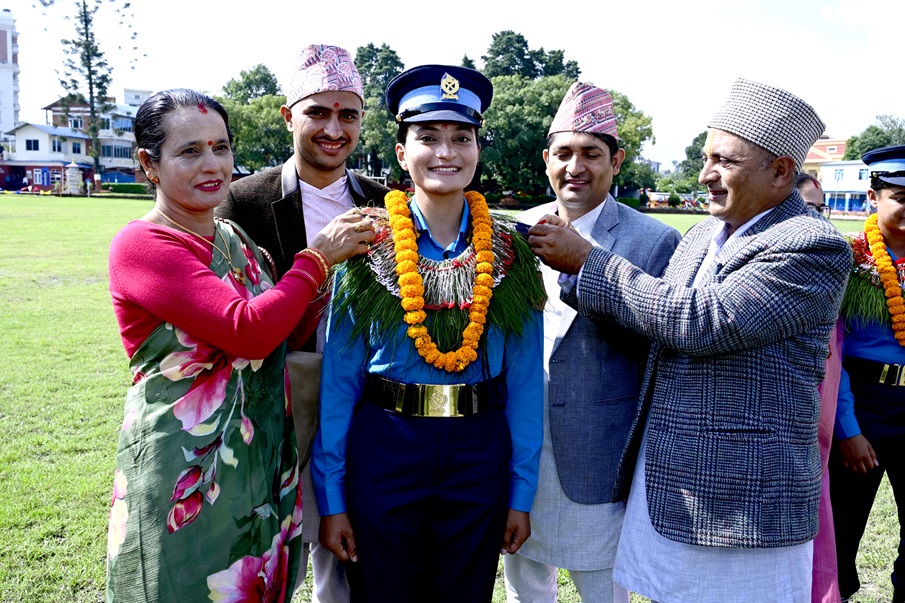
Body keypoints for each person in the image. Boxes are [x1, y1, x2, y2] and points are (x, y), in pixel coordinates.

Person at [527, 77, 853, 602]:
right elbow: (653, 317)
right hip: (669, 487)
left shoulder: (810, 245)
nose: (705, 175)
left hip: (744, 497)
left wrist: (589, 262)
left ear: (781, 171)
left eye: (725, 162)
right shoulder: (703, 233)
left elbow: (705, 322)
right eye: (706, 159)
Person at [104, 88, 374, 602]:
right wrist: (317, 259)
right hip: (184, 477)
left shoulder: (234, 239)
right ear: (148, 164)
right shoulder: (143, 244)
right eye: (189, 151)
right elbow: (248, 330)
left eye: (221, 148)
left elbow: (282, 334)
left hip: (258, 468)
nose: (213, 165)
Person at [311, 65, 546, 603]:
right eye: (428, 137)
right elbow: (339, 383)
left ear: (477, 150)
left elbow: (527, 384)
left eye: (461, 138)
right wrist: (333, 500)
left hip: (478, 451)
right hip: (386, 447)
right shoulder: (366, 249)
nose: (446, 152)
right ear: (400, 153)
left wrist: (521, 492)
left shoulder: (512, 255)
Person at [216, 44, 388, 602]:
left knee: (350, 556)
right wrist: (318, 258)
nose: (333, 129)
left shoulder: (387, 202)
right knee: (268, 556)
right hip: (271, 399)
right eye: (318, 112)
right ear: (289, 116)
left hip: (361, 402)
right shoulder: (240, 202)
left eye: (348, 115)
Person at [503, 82, 680, 603]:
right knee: (524, 583)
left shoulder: (653, 239)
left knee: (604, 588)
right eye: (563, 153)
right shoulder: (517, 230)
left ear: (617, 161)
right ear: (546, 159)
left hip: (603, 445)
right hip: (522, 441)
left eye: (591, 154)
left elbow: (660, 334)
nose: (575, 166)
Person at [830, 144, 905, 603]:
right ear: (873, 197)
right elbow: (830, 356)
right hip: (862, 407)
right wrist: (848, 430)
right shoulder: (845, 264)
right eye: (902, 197)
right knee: (841, 529)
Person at [795, 171, 843, 603]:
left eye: (821, 209)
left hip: (821, 431)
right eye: (808, 209)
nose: (818, 219)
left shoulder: (831, 264)